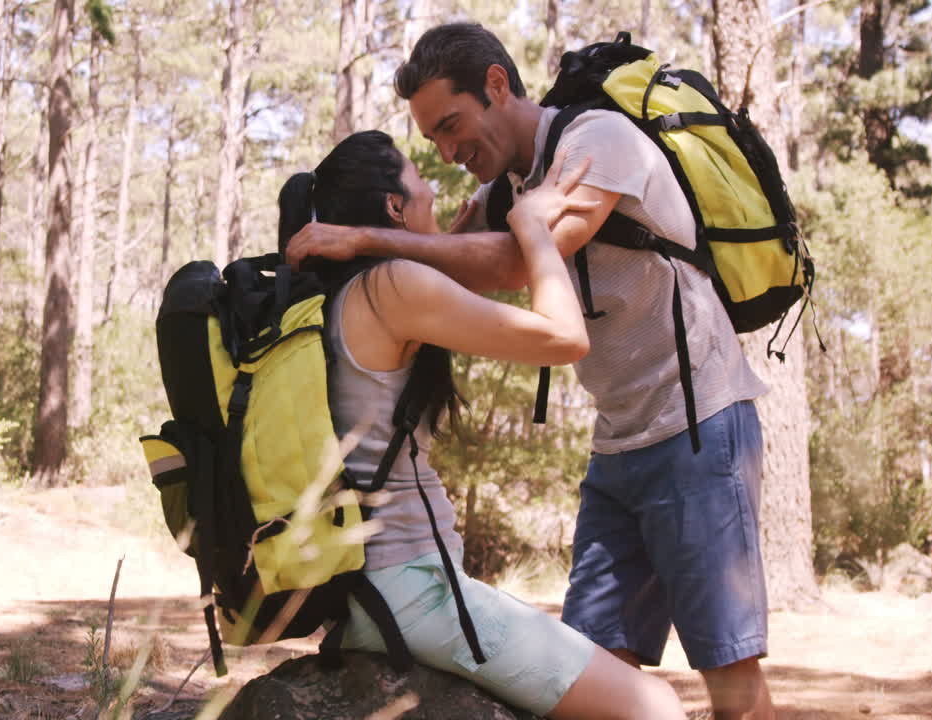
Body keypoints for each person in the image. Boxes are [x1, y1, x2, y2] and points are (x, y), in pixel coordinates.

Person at [285, 23, 774, 720]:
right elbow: (438, 277)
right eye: (434, 145)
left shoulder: (595, 141)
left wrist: (366, 237)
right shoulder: (505, 188)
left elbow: (522, 261)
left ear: (495, 84)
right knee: (602, 659)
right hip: (619, 445)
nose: (450, 154)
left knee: (728, 668)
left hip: (698, 427)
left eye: (452, 126)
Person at [279, 130, 685, 720]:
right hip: (413, 591)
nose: (437, 203)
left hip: (365, 590)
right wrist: (534, 230)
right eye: (422, 193)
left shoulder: (334, 297)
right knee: (658, 706)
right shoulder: (393, 286)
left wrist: (445, 239)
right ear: (394, 208)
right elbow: (566, 339)